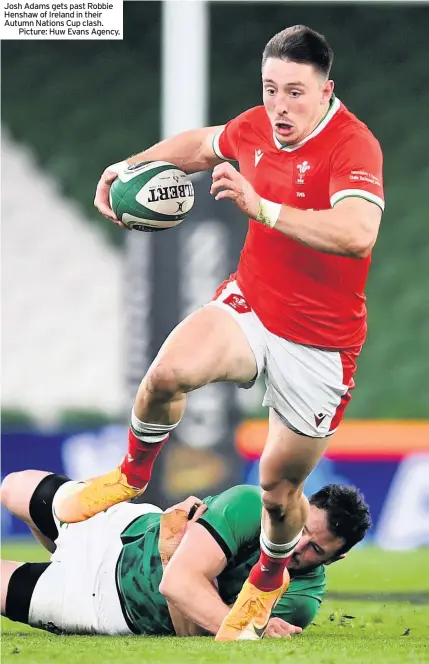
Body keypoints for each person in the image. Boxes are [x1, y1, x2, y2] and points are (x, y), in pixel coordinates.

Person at [54, 24, 384, 640]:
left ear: (326, 90)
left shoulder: (353, 147)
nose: (280, 106)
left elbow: (357, 233)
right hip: (252, 305)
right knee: (165, 376)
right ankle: (130, 473)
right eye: (270, 90)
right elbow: (203, 145)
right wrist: (133, 164)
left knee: (280, 490)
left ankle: (267, 578)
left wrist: (263, 209)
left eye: (295, 92)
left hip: (320, 347)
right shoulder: (257, 125)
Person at [1, 470, 371, 637]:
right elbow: (188, 589)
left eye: (315, 550)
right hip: (117, 524)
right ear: (299, 508)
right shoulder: (250, 503)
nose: (297, 548)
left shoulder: (299, 601)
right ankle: (58, 547)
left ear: (334, 559)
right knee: (12, 486)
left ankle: (58, 566)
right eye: (302, 530)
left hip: (99, 603)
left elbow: (183, 604)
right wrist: (199, 586)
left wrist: (175, 558)